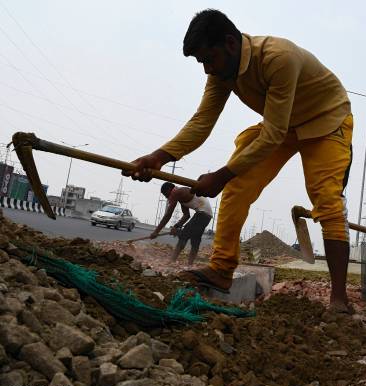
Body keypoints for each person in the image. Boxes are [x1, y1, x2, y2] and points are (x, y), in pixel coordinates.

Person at [123, 9, 354, 312]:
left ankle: (339, 298)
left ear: (230, 44)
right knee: (237, 186)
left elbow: (271, 135)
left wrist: (220, 175)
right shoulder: (222, 73)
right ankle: (220, 270)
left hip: (327, 122)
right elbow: (202, 122)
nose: (206, 69)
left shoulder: (278, 58)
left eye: (208, 59)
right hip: (282, 125)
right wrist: (160, 156)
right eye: (200, 62)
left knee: (326, 200)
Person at [151, 182, 212, 266]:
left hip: (202, 213)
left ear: (169, 190)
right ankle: (189, 265)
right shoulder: (181, 195)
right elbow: (186, 215)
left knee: (184, 235)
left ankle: (172, 261)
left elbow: (168, 214)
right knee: (195, 240)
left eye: (165, 194)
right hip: (207, 215)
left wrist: (156, 232)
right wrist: (176, 226)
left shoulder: (176, 192)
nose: (166, 197)